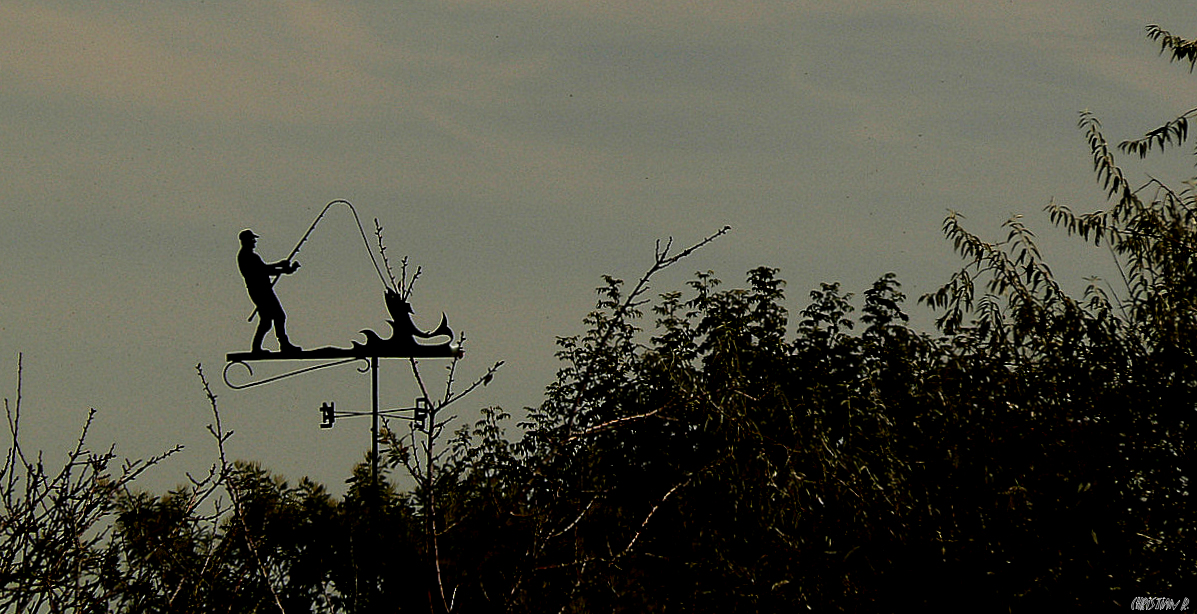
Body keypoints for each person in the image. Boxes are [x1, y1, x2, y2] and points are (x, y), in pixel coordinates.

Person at [238, 229, 301, 353]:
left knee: (266, 321)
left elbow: (265, 270)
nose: (254, 241)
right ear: (245, 241)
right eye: (252, 239)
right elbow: (262, 270)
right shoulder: (246, 256)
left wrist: (283, 269)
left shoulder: (250, 256)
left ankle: (258, 348)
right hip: (261, 292)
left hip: (262, 291)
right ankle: (284, 345)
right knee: (279, 316)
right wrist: (280, 266)